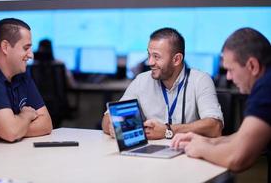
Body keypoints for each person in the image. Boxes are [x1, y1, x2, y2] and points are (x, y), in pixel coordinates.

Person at [171, 28, 271, 180]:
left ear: (252, 66)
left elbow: (238, 158)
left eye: (230, 69)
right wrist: (207, 141)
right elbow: (242, 137)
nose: (229, 77)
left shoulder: (266, 88)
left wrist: (201, 149)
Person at [102, 27, 223, 140]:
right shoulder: (141, 80)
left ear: (176, 59)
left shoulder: (200, 80)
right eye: (149, 55)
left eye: (156, 57)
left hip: (187, 154)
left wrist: (167, 130)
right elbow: (107, 118)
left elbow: (215, 127)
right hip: (148, 156)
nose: (150, 62)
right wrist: (113, 126)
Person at [0, 18, 53, 145]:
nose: (31, 55)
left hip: (7, 156)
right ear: (5, 47)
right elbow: (11, 132)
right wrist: (26, 115)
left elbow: (46, 124)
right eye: (26, 48)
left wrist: (6, 130)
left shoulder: (22, 75)